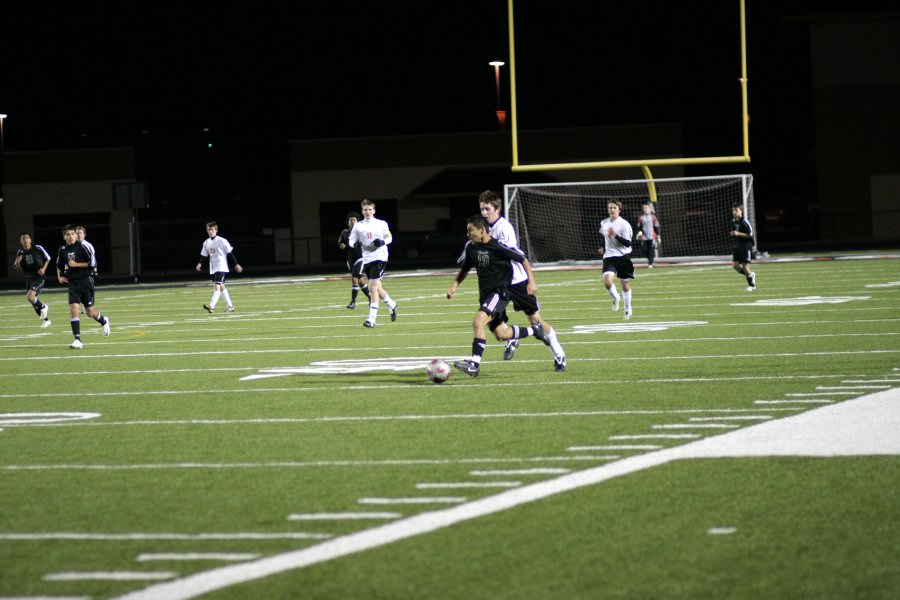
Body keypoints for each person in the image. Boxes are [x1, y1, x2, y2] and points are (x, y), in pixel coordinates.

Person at [447, 214, 547, 377]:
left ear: (481, 230)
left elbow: (523, 260)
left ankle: (474, 365)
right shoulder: (472, 248)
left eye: (471, 230)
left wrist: (532, 282)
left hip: (499, 293)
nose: (468, 234)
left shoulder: (498, 246)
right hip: (486, 295)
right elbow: (465, 269)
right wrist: (454, 286)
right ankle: (535, 330)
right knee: (502, 335)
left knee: (478, 321)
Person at [478, 190, 566, 371]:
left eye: (487, 209)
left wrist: (531, 281)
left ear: (497, 209)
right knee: (496, 328)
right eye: (482, 209)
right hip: (499, 285)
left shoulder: (504, 228)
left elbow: (518, 256)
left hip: (517, 281)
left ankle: (559, 355)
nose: (484, 213)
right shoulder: (485, 228)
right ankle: (513, 337)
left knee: (535, 320)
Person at [56, 224, 110, 349]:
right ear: (64, 237)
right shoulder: (62, 249)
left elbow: (92, 264)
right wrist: (59, 276)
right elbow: (58, 264)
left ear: (76, 235)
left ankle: (104, 321)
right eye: (68, 234)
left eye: (73, 234)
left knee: (90, 312)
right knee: (73, 310)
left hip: (85, 282)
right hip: (73, 284)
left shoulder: (83, 247)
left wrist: (76, 264)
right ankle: (77, 340)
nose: (71, 236)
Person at [348, 198, 398, 328]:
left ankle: (371, 320)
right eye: (365, 209)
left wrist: (382, 242)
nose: (368, 212)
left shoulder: (381, 223)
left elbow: (389, 237)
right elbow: (351, 240)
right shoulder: (358, 225)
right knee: (378, 288)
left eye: (370, 209)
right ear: (362, 211)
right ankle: (392, 305)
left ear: (374, 210)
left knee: (373, 288)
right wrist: (356, 244)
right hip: (367, 259)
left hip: (380, 257)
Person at [599, 200, 635, 320]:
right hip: (609, 256)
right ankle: (616, 297)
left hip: (623, 257)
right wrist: (602, 247)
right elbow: (603, 237)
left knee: (624, 284)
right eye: (610, 208)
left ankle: (627, 307)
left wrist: (616, 235)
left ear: (619, 210)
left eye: (614, 207)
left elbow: (628, 243)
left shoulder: (624, 224)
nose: (612, 210)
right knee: (607, 282)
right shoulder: (604, 222)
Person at [196, 221, 243, 313]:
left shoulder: (222, 240)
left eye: (212, 229)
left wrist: (236, 264)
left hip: (221, 267)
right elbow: (204, 255)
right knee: (221, 287)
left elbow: (230, 253)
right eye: (209, 230)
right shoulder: (206, 242)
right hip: (213, 268)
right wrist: (200, 263)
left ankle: (211, 306)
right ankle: (230, 306)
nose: (210, 231)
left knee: (216, 286)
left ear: (216, 230)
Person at [13, 233, 52, 328]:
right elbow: (16, 268)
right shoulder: (20, 252)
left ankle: (43, 307)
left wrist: (43, 269)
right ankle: (46, 320)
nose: (25, 240)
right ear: (21, 241)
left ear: (30, 240)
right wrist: (18, 262)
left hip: (39, 277)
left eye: (27, 238)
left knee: (30, 297)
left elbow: (48, 258)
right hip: (29, 278)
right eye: (23, 239)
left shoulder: (37, 248)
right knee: (33, 302)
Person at [338, 212, 370, 309]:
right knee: (360, 280)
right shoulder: (344, 232)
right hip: (350, 259)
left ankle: (353, 302)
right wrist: (341, 245)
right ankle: (371, 298)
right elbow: (340, 242)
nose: (352, 221)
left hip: (361, 257)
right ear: (348, 222)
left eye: (354, 220)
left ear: (358, 222)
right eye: (350, 220)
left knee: (354, 279)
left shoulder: (361, 231)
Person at [730, 202, 756, 291]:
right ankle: (750, 275)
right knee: (735, 266)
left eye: (736, 210)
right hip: (738, 245)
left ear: (741, 211)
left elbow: (751, 234)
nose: (734, 212)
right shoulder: (733, 221)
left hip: (746, 245)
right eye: (733, 210)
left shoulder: (745, 221)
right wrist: (733, 234)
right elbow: (734, 232)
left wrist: (738, 233)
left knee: (744, 265)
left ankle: (752, 286)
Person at [635, 202, 660, 268]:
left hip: (652, 236)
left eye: (647, 208)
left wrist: (658, 235)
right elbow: (639, 228)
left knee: (651, 250)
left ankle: (650, 263)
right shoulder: (641, 218)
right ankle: (649, 260)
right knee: (644, 249)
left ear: (650, 209)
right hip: (644, 237)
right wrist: (639, 234)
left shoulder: (653, 217)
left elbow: (656, 227)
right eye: (644, 208)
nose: (646, 209)